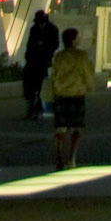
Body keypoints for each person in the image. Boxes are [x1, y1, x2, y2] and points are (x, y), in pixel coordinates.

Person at [47, 25, 96, 169]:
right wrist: (90, 87)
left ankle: (58, 157)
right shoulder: (82, 56)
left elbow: (54, 75)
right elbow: (87, 74)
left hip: (60, 94)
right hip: (76, 94)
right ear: (75, 41)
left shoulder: (59, 56)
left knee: (60, 128)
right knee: (76, 128)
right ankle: (71, 158)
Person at [22, 7, 58, 120]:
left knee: (40, 85)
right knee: (31, 85)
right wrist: (28, 56)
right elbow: (29, 44)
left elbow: (54, 44)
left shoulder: (52, 29)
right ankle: (32, 107)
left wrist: (44, 47)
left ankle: (38, 108)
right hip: (33, 60)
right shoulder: (34, 29)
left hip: (43, 60)